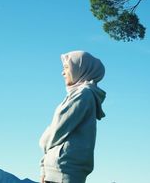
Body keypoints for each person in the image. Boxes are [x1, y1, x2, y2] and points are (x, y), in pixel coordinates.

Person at [39, 50, 107, 183]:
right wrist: (44, 169)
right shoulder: (78, 94)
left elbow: (58, 129)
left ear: (81, 68)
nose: (62, 73)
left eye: (66, 67)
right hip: (58, 169)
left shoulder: (84, 94)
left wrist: (42, 141)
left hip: (64, 170)